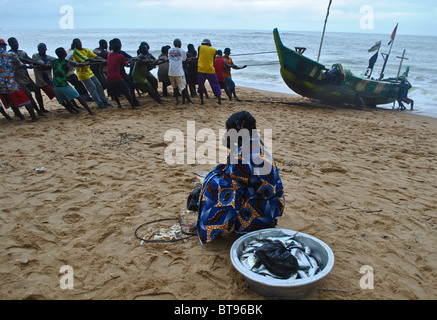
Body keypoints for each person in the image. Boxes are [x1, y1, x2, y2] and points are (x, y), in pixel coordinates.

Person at [181, 111, 285, 244]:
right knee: (217, 180)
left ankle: (211, 228)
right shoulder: (254, 142)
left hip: (261, 209)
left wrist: (208, 187)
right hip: (273, 205)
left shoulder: (245, 156)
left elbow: (229, 185)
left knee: (216, 189)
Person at [8, 37, 49, 115]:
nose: (15, 44)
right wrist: (34, 64)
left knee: (37, 90)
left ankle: (41, 108)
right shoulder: (10, 54)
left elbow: (29, 59)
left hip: (26, 77)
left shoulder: (22, 52)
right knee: (29, 95)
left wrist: (34, 63)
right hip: (18, 79)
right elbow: (23, 61)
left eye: (16, 42)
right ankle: (38, 111)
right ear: (10, 44)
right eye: (13, 43)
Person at [0, 39, 39, 121]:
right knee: (25, 99)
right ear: (5, 46)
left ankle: (20, 116)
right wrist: (32, 66)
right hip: (11, 82)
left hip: (1, 84)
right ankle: (33, 117)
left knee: (10, 100)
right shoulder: (11, 54)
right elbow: (20, 65)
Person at [70, 38, 112, 109]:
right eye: (77, 43)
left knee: (99, 86)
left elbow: (95, 56)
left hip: (89, 72)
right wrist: (102, 61)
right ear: (74, 45)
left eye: (79, 42)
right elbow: (88, 59)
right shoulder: (75, 52)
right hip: (83, 74)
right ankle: (100, 104)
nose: (79, 44)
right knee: (93, 88)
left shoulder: (85, 50)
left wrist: (103, 60)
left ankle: (105, 102)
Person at [52, 47, 95, 115]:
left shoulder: (54, 61)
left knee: (62, 100)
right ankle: (90, 111)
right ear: (65, 54)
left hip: (55, 85)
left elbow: (47, 65)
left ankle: (71, 110)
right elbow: (79, 65)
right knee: (78, 97)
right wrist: (87, 63)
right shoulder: (68, 62)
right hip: (63, 85)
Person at [106, 42, 137, 109]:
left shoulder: (109, 55)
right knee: (126, 91)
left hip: (109, 76)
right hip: (117, 76)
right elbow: (124, 64)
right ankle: (133, 106)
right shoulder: (120, 56)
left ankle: (119, 105)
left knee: (114, 92)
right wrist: (128, 62)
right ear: (119, 48)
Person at [197, 39, 221, 105]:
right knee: (215, 85)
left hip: (201, 69)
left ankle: (202, 101)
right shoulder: (214, 50)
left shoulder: (200, 47)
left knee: (201, 85)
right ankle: (219, 100)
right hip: (210, 70)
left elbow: (198, 57)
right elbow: (213, 60)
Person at [168, 38, 192, 105]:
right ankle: (184, 102)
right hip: (179, 72)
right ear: (180, 44)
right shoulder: (182, 51)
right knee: (183, 87)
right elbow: (184, 59)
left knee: (175, 87)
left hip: (171, 72)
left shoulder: (169, 50)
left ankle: (177, 100)